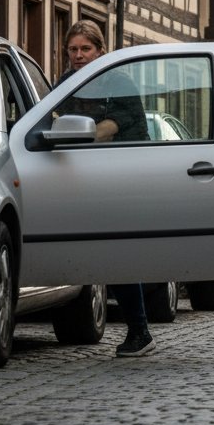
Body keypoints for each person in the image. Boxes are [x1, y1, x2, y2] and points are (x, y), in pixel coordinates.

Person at [54, 19, 153, 357]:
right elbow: (53, 123)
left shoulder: (118, 80)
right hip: (76, 179)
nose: (79, 55)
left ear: (100, 50)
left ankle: (139, 330)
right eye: (73, 49)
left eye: (85, 49)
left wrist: (96, 132)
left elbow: (127, 125)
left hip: (117, 179)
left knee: (118, 257)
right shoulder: (66, 84)